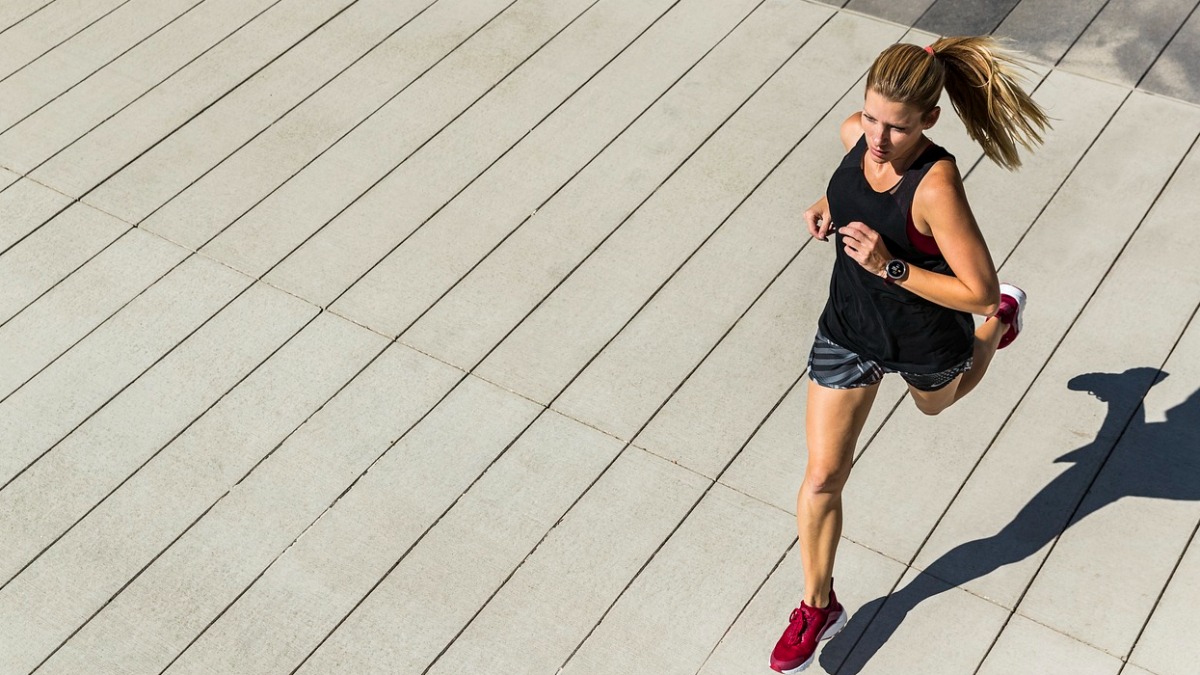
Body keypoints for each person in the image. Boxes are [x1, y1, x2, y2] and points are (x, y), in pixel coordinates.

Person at [769, 36, 1050, 674]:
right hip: (848, 328)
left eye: (896, 126)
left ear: (929, 120)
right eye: (871, 117)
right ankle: (818, 605)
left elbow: (974, 288)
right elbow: (849, 179)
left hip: (926, 334)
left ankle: (1004, 325)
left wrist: (889, 265)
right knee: (821, 478)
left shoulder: (935, 184)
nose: (877, 137)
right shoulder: (856, 135)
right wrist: (826, 205)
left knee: (937, 405)